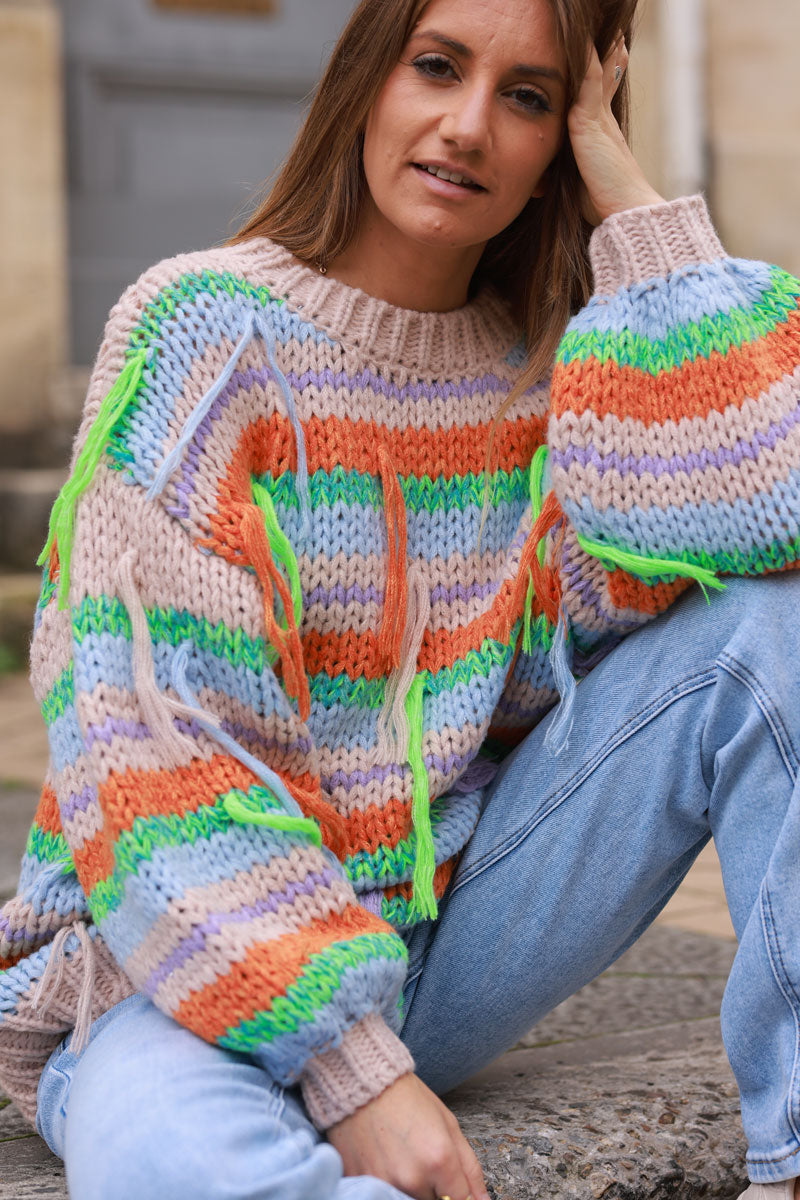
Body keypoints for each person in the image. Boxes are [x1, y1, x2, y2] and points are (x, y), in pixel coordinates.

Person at [1, 0, 799, 1196]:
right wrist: (352, 1072)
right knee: (172, 1159)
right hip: (171, 966)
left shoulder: (548, 377)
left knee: (766, 633)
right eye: (436, 67)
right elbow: (158, 754)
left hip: (446, 934)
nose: (469, 127)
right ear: (366, 77)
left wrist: (632, 201)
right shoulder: (203, 332)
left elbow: (764, 514)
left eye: (529, 98)